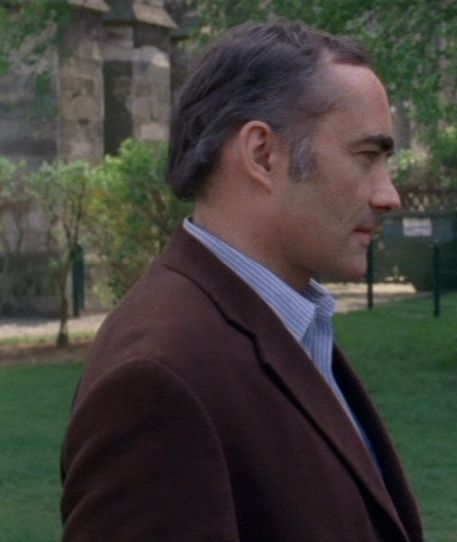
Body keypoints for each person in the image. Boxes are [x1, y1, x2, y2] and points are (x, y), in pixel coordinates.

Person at [61, 20, 423, 541]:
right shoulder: (158, 377)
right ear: (261, 154)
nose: (389, 196)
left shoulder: (282, 324)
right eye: (367, 157)